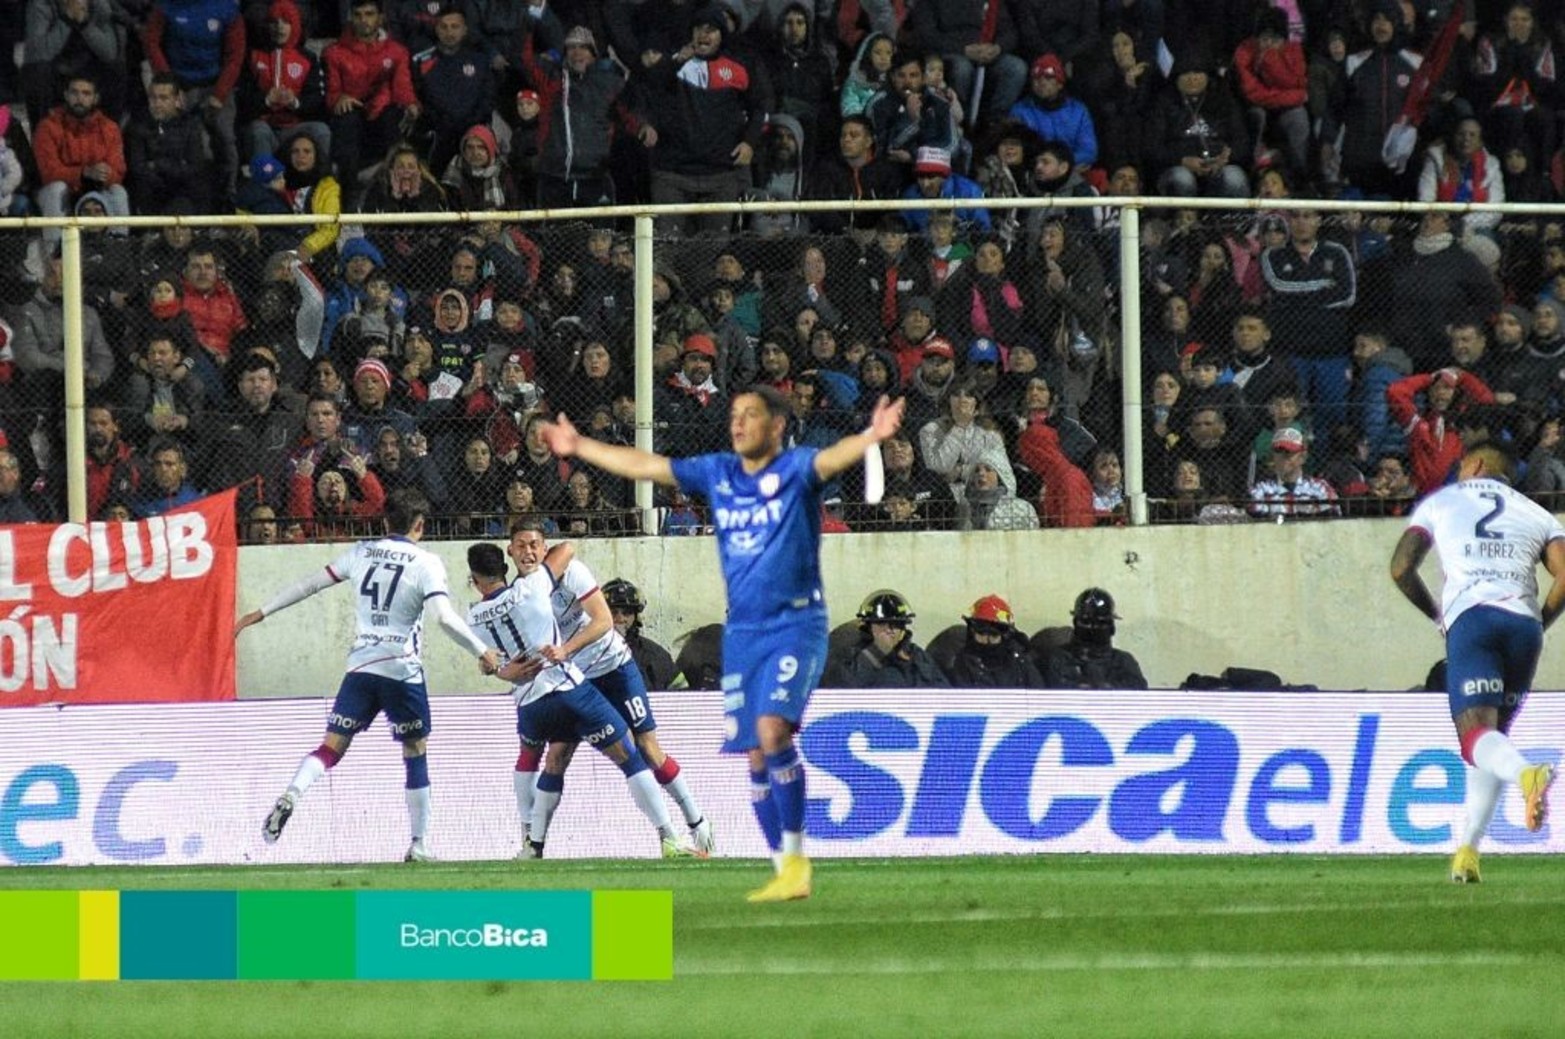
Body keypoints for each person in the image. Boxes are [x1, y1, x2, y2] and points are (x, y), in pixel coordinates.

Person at [540, 384, 906, 902]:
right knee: (756, 754)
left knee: (773, 730)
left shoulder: (796, 469)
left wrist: (872, 434)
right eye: (734, 415)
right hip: (745, 633)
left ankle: (798, 861)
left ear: (777, 427)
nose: (738, 424)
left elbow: (832, 458)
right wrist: (581, 447)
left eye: (750, 416)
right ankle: (785, 871)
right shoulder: (719, 472)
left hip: (795, 625)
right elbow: (649, 465)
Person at [237, 489, 503, 863]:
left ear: (384, 522)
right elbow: (444, 617)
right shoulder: (426, 562)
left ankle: (293, 793)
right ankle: (420, 844)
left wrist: (260, 612)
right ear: (420, 526)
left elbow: (310, 584)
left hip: (361, 668)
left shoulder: (361, 552)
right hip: (401, 670)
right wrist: (482, 650)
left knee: (331, 747)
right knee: (415, 748)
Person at [1388, 441, 1562, 883]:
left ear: (1477, 466)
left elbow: (1401, 568)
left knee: (1475, 735)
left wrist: (1437, 614)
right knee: (1490, 740)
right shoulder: (1537, 514)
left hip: (1473, 621)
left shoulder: (1443, 501)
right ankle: (1467, 851)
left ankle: (1527, 773)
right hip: (1524, 628)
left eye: (1461, 464)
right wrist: (1540, 621)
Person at [464, 538, 695, 860]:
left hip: (530, 705)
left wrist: (504, 672)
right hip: (570, 688)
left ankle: (531, 843)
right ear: (507, 563)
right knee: (630, 756)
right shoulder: (531, 588)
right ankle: (669, 836)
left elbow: (489, 662)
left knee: (536, 759)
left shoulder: (472, 616)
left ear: (473, 581)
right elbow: (568, 549)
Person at [1041, 588, 1149, 689]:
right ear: (1075, 623)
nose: (1093, 628)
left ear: (1112, 627)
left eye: (1100, 623)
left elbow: (1138, 697)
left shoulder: (1123, 661)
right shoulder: (1058, 659)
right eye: (1086, 622)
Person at [840, 589, 949, 688]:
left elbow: (944, 695)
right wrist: (876, 653)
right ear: (868, 627)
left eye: (896, 624)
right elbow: (840, 693)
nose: (889, 630)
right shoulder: (851, 658)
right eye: (882, 624)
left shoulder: (917, 656)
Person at [947, 594, 1044, 688]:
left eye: (993, 635)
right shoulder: (963, 662)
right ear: (972, 633)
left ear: (1005, 635)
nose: (986, 641)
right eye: (981, 634)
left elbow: (1038, 696)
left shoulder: (1020, 661)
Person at [603, 578, 679, 691]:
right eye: (613, 612)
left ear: (635, 616)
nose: (620, 619)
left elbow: (680, 695)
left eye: (627, 613)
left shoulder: (656, 655)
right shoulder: (586, 654)